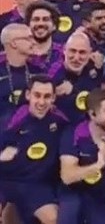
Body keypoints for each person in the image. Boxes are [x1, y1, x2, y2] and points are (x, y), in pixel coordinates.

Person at [0, 76, 68, 224]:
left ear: (53, 98)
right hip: (5, 181)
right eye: (37, 95)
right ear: (28, 95)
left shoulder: (60, 121)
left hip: (36, 185)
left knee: (54, 219)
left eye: (47, 96)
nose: (41, 102)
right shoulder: (11, 119)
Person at [57, 88, 105, 224]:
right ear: (92, 114)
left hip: (101, 194)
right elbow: (67, 176)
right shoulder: (74, 133)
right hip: (73, 192)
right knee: (69, 214)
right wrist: (97, 165)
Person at [50, 32, 105, 123]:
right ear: (64, 50)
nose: (76, 58)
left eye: (82, 52)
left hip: (92, 123)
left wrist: (73, 90)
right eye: (72, 51)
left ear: (90, 53)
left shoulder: (96, 68)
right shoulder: (53, 76)